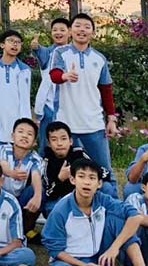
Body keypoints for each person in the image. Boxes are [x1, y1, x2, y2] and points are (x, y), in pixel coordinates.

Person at [40, 159, 148, 266]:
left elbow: (135, 216)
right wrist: (82, 264)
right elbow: (55, 249)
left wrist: (113, 249)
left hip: (102, 257)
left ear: (99, 184)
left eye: (92, 178)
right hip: (72, 258)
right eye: (81, 176)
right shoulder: (61, 210)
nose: (87, 182)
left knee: (119, 221)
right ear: (72, 180)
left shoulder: (103, 200)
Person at [48, 13, 119, 170]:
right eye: (77, 26)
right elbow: (54, 75)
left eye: (87, 27)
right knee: (65, 169)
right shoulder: (60, 52)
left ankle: (109, 188)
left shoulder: (99, 58)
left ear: (93, 33)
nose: (82, 30)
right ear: (70, 31)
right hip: (66, 123)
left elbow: (106, 90)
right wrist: (65, 76)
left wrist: (111, 119)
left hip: (94, 124)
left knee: (104, 169)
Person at [41, 120, 115, 210]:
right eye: (54, 140)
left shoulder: (79, 154)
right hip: (62, 198)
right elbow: (49, 193)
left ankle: (113, 213)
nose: (59, 143)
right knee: (50, 207)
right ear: (49, 143)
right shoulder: (47, 161)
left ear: (71, 141)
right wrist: (60, 179)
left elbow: (103, 172)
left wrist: (87, 177)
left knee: (107, 187)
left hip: (85, 194)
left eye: (63, 139)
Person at [0, 30, 33, 153]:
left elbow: (25, 98)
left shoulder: (25, 70)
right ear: (2, 45)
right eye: (11, 41)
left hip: (17, 122)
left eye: (18, 42)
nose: (15, 44)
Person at [0, 117, 44, 235]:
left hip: (20, 198)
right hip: (0, 196)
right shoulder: (4, 149)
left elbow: (36, 176)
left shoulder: (36, 159)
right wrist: (12, 173)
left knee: (37, 191)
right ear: (13, 136)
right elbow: (3, 165)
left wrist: (37, 196)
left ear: (34, 142)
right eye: (20, 132)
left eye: (29, 134)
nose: (24, 136)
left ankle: (25, 229)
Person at [31, 16, 71, 149]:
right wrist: (36, 47)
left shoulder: (74, 52)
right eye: (55, 30)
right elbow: (39, 51)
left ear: (70, 32)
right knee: (46, 141)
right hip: (49, 104)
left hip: (69, 103)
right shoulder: (48, 52)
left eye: (62, 30)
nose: (58, 33)